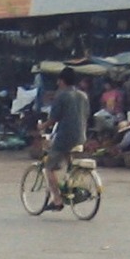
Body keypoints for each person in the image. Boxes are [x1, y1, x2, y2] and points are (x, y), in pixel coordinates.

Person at [43, 68, 90, 209]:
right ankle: (70, 186)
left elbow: (53, 119)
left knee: (48, 168)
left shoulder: (61, 96)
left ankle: (57, 200)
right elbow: (86, 114)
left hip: (65, 136)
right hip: (81, 135)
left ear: (61, 81)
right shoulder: (83, 95)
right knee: (68, 159)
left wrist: (42, 126)